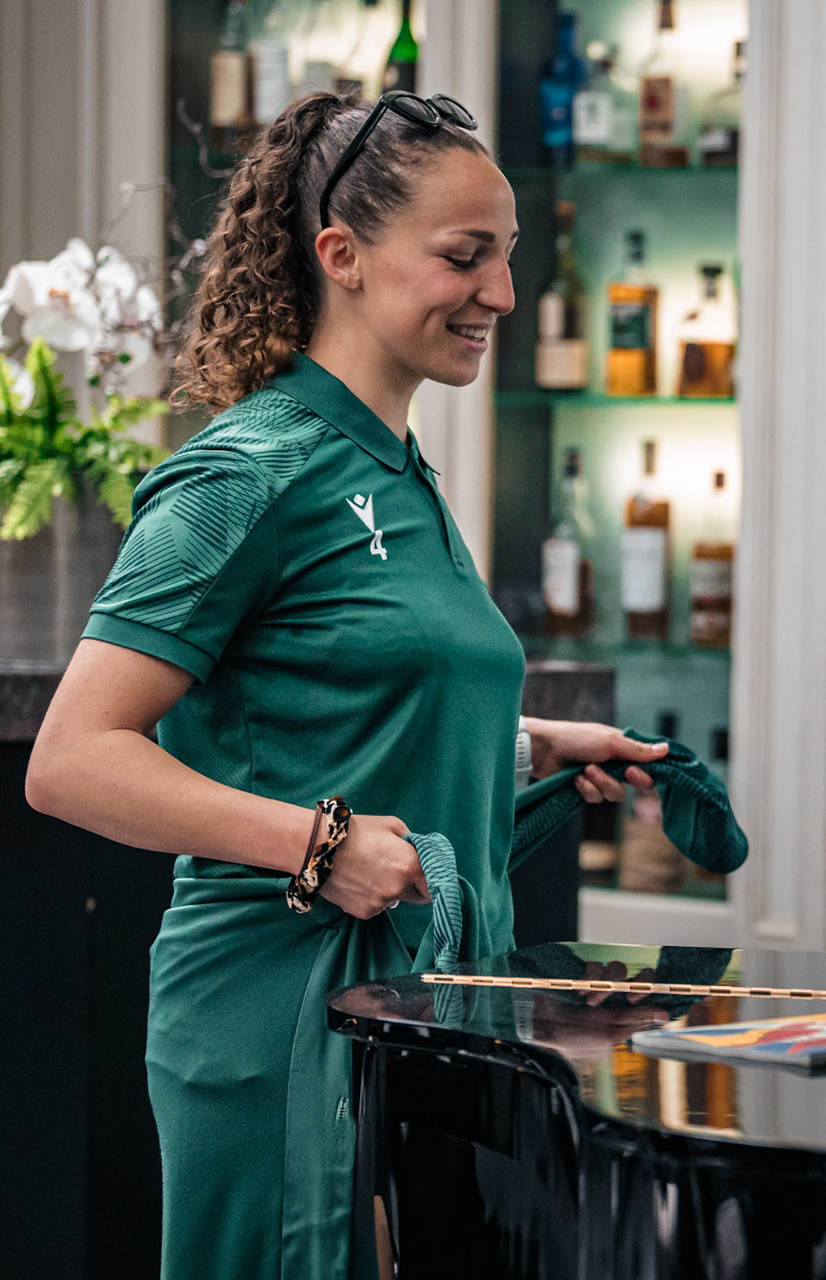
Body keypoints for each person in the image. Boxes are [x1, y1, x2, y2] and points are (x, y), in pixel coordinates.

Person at [25, 91, 670, 1278]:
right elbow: (71, 758)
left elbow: (334, 703)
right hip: (283, 1018)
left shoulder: (400, 469)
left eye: (508, 256)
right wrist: (320, 844)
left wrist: (528, 745)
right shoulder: (246, 473)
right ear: (343, 255)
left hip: (422, 1013)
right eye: (465, 257)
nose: (502, 293)